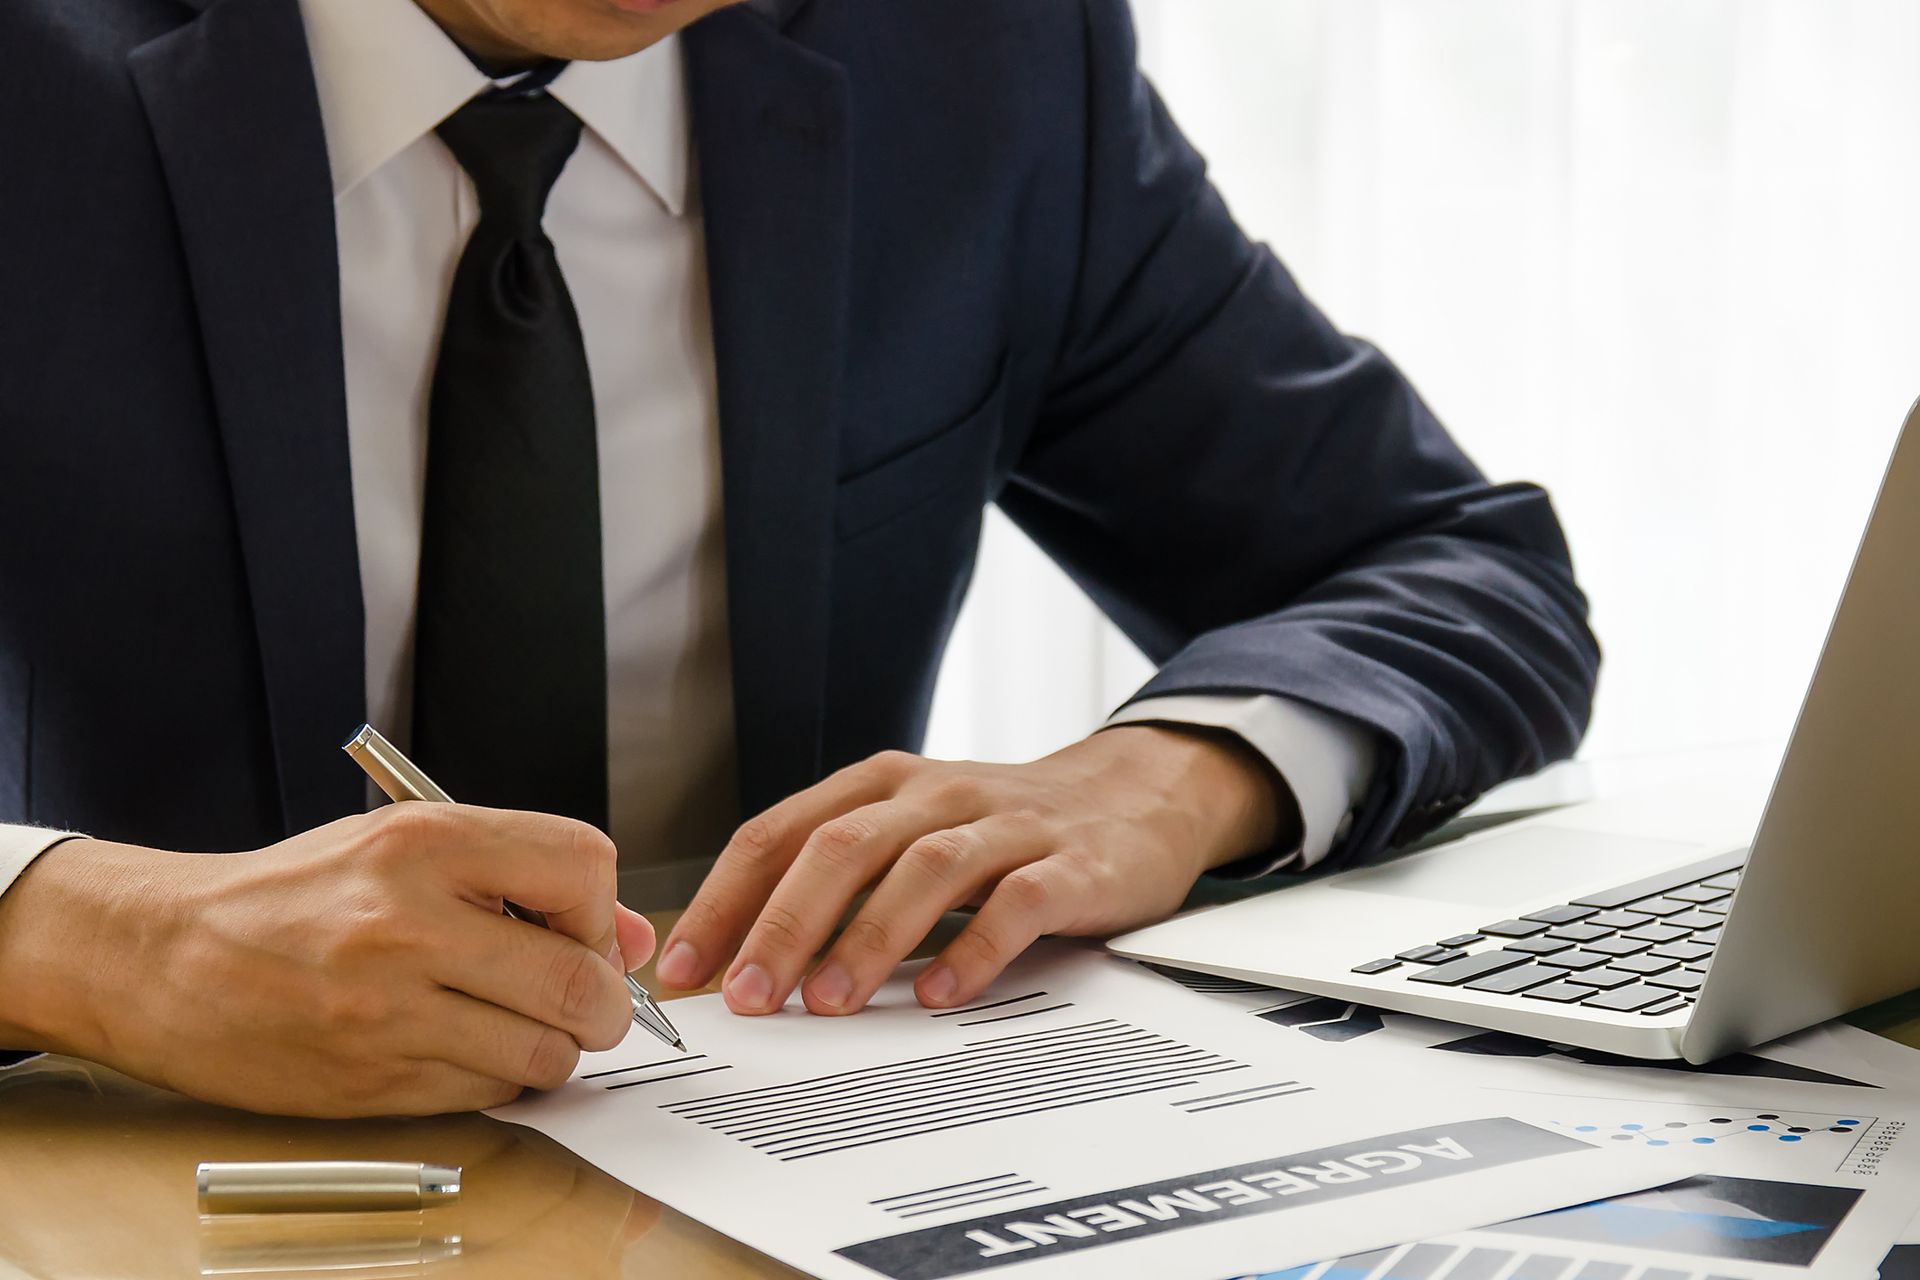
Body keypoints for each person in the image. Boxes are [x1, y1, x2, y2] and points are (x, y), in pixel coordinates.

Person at [0, 0, 1598, 1117]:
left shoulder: (981, 57)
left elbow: (1450, 567)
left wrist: (1166, 782)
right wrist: (86, 942)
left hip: (746, 1166)